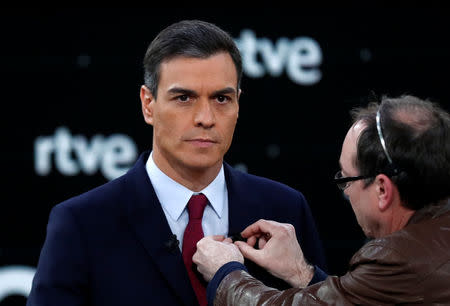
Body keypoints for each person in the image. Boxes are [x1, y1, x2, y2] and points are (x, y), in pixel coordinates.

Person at [27, 20, 327, 306]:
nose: (205, 118)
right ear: (148, 105)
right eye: (184, 98)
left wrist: (304, 275)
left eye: (221, 99)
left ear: (238, 103)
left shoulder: (285, 210)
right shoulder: (81, 224)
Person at [194, 94, 450, 305]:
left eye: (346, 179)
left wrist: (226, 272)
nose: (346, 192)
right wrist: (300, 272)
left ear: (382, 189)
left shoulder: (396, 259)